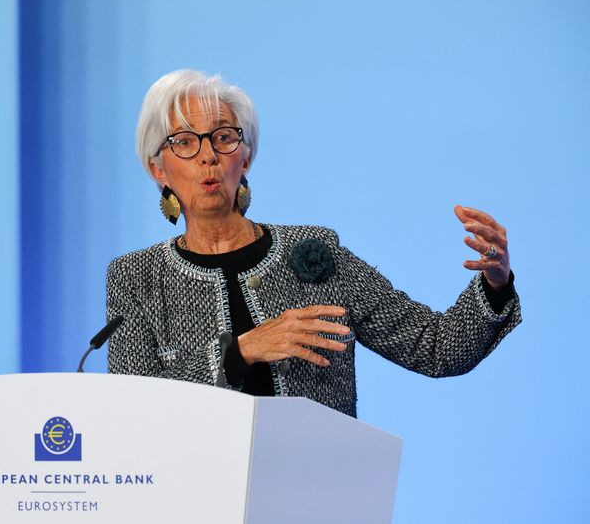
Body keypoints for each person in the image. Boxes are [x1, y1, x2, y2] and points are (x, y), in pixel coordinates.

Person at [106, 70, 521, 417]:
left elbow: (436, 348)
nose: (208, 156)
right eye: (184, 141)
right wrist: (242, 351)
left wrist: (495, 284)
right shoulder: (136, 277)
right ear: (157, 169)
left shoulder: (316, 252)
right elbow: (132, 408)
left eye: (224, 137)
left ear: (245, 158)